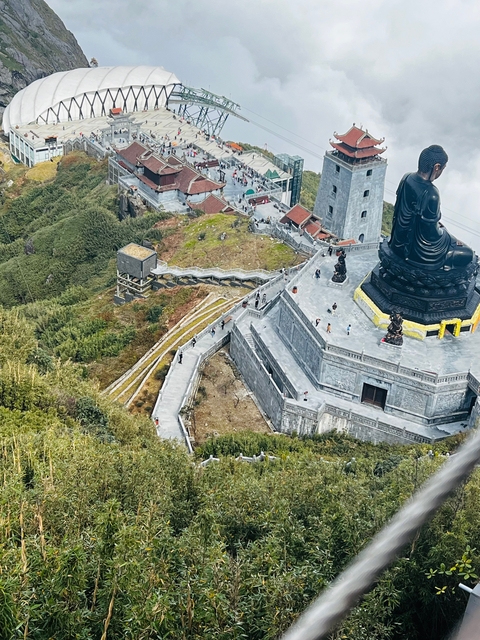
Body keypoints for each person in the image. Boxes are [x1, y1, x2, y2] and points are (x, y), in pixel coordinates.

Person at [389, 145, 474, 270]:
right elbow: (431, 235)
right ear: (437, 167)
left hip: (397, 243)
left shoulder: (406, 177)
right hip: (416, 254)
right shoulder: (431, 193)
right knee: (467, 254)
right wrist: (448, 236)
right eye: (442, 169)